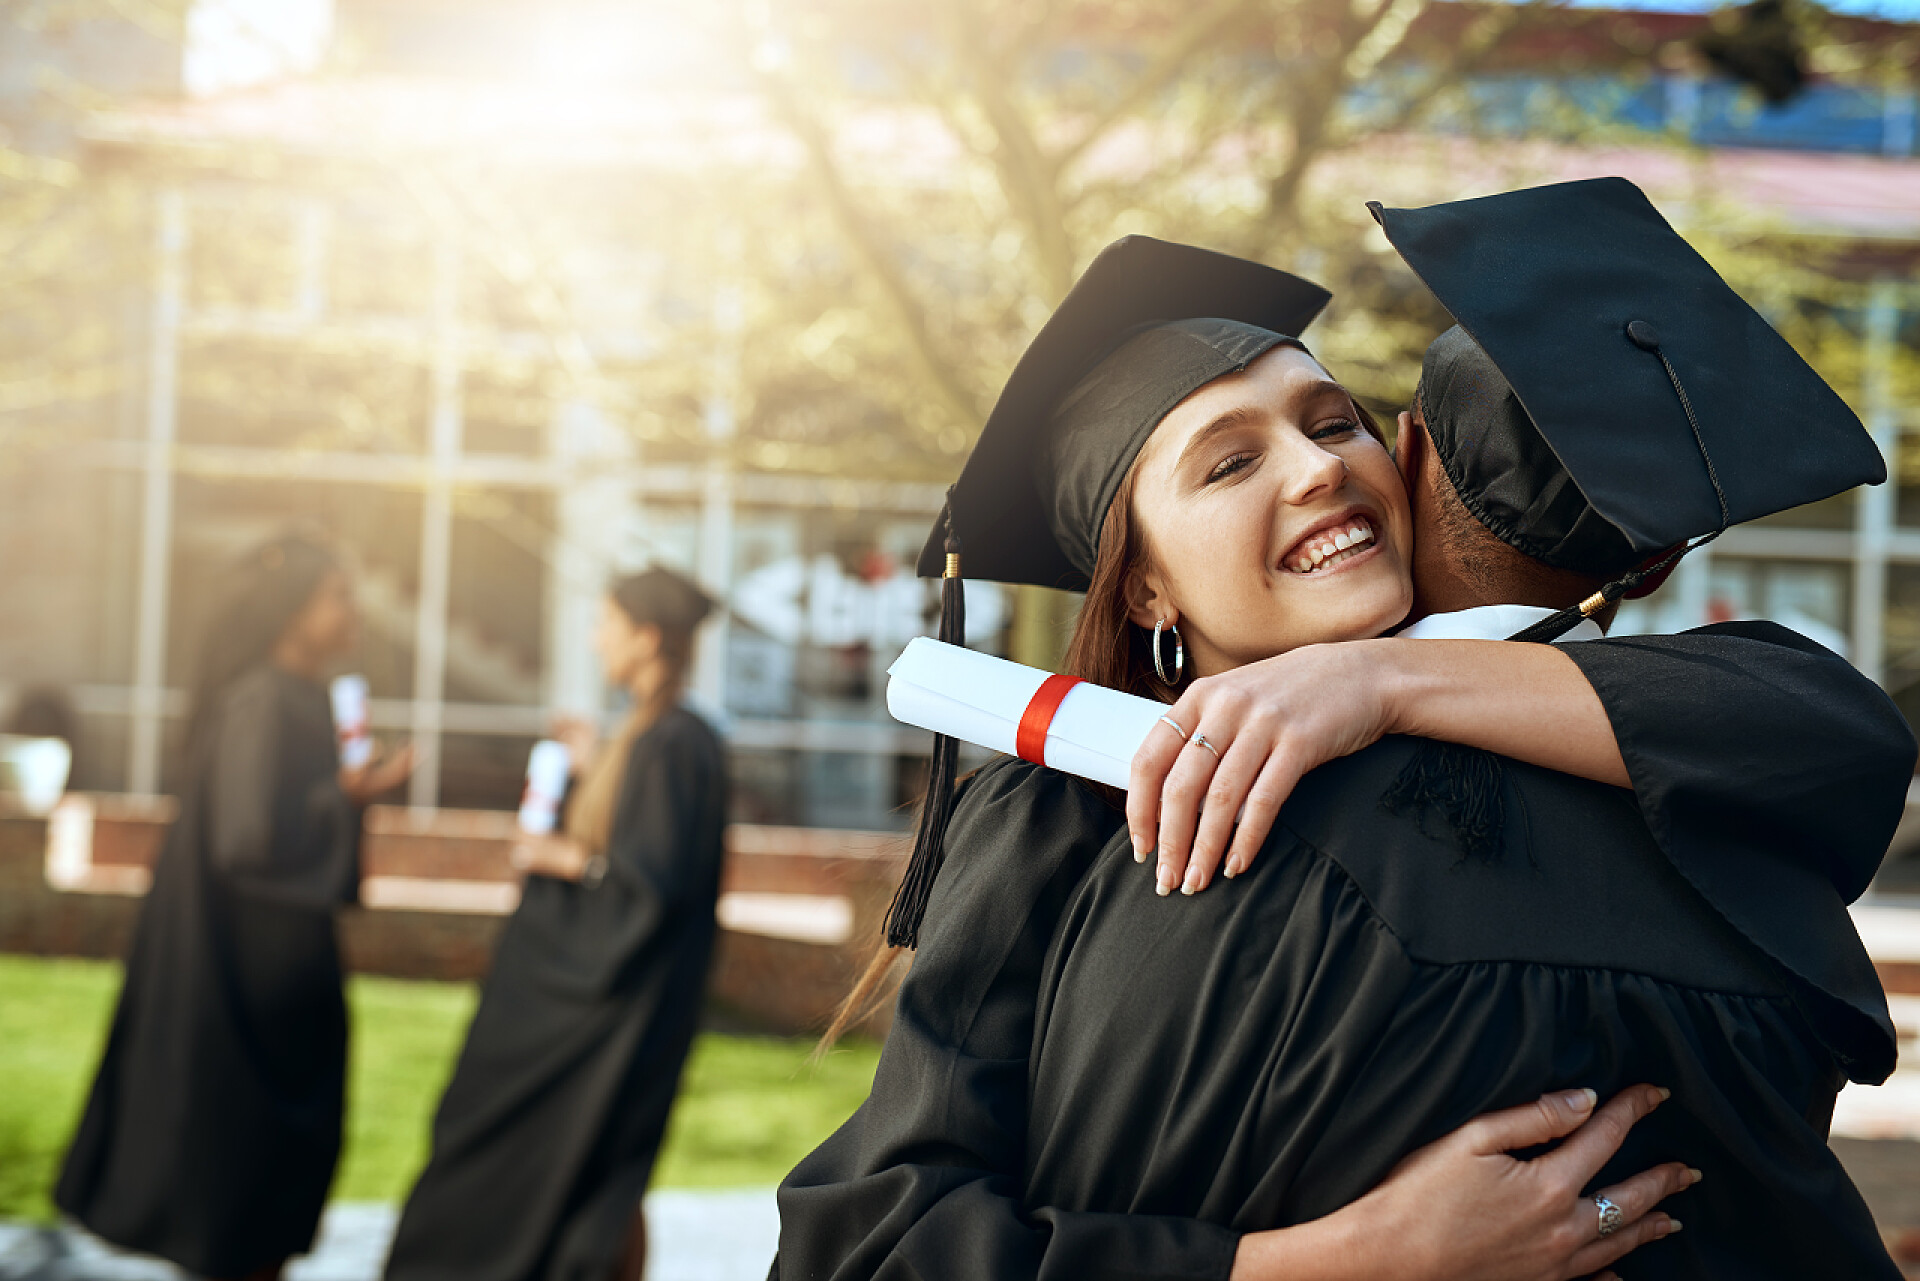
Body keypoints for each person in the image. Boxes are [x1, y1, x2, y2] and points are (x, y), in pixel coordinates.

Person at [774, 183, 1910, 1279]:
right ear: (1145, 593)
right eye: (1231, 461)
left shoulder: (1605, 724)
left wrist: (1377, 681)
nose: (1319, 466)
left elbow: (1819, 727)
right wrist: (1358, 1261)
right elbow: (874, 1247)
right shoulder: (1071, 812)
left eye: (1334, 422)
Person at [57, 534, 412, 1281]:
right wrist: (341, 798)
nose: (354, 610)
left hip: (272, 968)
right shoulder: (261, 700)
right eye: (338, 595)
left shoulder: (298, 696)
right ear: (292, 611)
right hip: (238, 979)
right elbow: (246, 838)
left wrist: (341, 799)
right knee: (239, 1187)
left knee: (264, 1195)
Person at [385, 565, 729, 1281]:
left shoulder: (675, 742)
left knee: (600, 1172)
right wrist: (586, 769)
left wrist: (562, 858)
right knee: (599, 1176)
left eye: (608, 622)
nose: (595, 637)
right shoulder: (650, 734)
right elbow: (631, 843)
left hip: (627, 1008)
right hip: (628, 1001)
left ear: (648, 636)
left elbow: (645, 884)